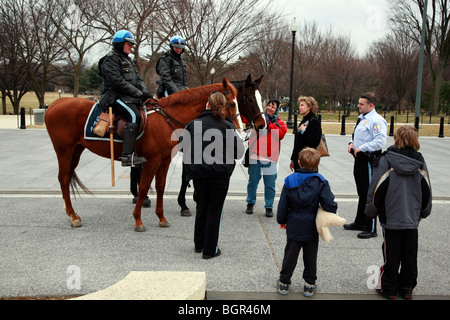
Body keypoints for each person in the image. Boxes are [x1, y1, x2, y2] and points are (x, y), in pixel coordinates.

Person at [365, 125, 432, 299]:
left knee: (391, 254)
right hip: (412, 215)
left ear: (396, 138)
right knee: (410, 253)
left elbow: (377, 188)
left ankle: (389, 288)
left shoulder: (386, 159)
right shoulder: (420, 161)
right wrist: (424, 211)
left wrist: (371, 210)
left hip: (391, 215)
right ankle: (407, 287)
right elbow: (427, 189)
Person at [181, 92, 245, 259]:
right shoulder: (228, 126)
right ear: (223, 107)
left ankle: (199, 244)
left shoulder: (193, 124)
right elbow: (239, 153)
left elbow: (182, 147)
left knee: (201, 207)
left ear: (207, 105)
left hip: (200, 173)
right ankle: (210, 249)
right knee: (214, 210)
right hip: (220, 174)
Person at [277, 148, 338, 297]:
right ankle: (309, 284)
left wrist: (282, 220)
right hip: (312, 223)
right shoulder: (321, 181)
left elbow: (283, 204)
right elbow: (329, 204)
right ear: (318, 163)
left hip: (294, 221)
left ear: (299, 162)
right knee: (310, 255)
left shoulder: (289, 181)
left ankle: (285, 282)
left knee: (290, 253)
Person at [98, 30, 151, 167]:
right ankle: (128, 156)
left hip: (127, 95)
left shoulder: (127, 59)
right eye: (129, 44)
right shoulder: (109, 60)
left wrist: (144, 92)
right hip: (114, 96)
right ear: (120, 44)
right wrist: (138, 93)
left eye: (132, 44)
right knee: (134, 116)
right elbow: (117, 82)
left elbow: (138, 79)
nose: (131, 47)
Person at [345, 92, 387, 239]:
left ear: (371, 105)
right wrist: (351, 143)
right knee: (362, 192)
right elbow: (355, 135)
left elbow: (380, 141)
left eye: (361, 104)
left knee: (370, 194)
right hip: (359, 159)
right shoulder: (362, 118)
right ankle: (360, 221)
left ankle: (371, 227)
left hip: (369, 160)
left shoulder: (376, 120)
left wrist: (362, 148)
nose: (358, 106)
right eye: (359, 103)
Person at [245, 99, 287, 217]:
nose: (269, 108)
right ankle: (250, 203)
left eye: (272, 107)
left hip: (270, 157)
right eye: (268, 105)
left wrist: (270, 124)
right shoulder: (258, 119)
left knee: (270, 185)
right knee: (252, 182)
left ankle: (269, 206)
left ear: (276, 109)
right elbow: (248, 126)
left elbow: (281, 134)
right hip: (255, 156)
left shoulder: (280, 122)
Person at [290, 96, 322, 172]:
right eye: (299, 105)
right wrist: (293, 159)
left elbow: (315, 141)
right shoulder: (304, 119)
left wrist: (304, 132)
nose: (299, 107)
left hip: (308, 161)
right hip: (299, 160)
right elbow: (297, 143)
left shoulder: (314, 120)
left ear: (309, 107)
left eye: (302, 105)